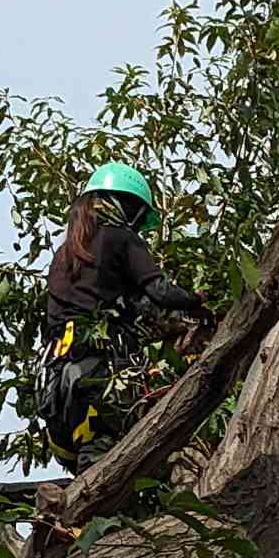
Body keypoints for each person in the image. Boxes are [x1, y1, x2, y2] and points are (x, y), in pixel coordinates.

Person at [36, 162, 210, 474]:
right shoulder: (120, 237)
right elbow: (160, 292)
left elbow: (133, 305)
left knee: (91, 456)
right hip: (98, 375)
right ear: (126, 206)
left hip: (57, 382)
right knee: (141, 455)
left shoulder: (66, 254)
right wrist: (197, 303)